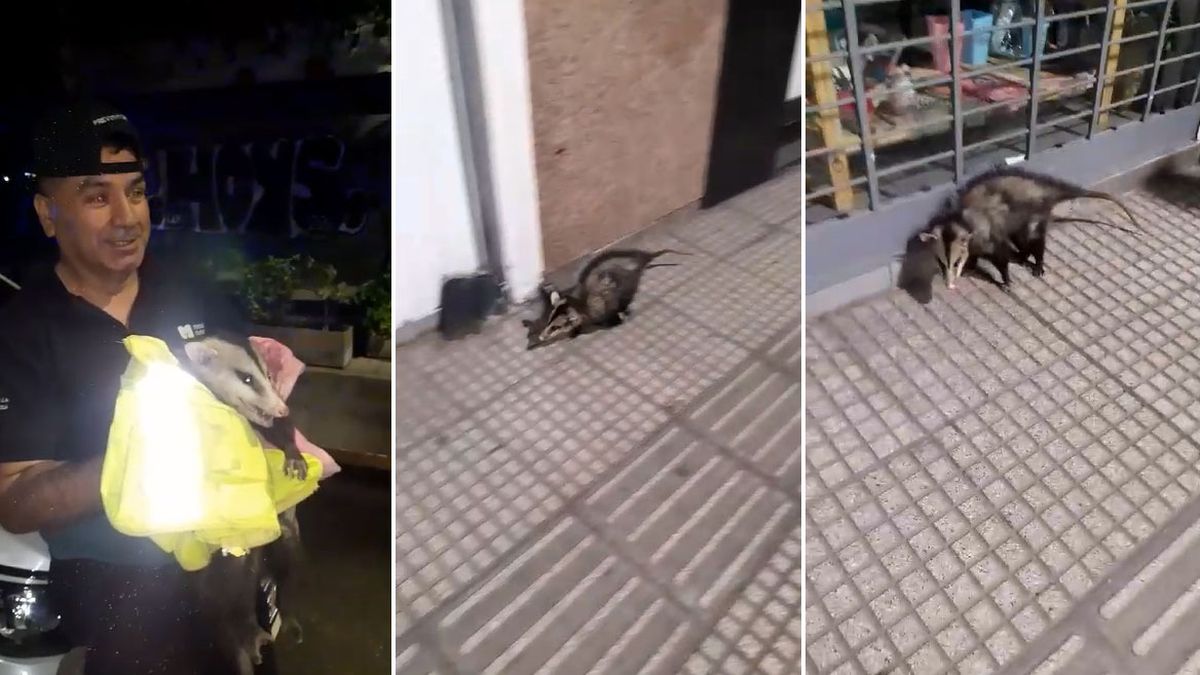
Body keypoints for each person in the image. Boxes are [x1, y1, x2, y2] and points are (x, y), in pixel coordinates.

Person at [0, 100, 265, 674]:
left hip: (232, 566)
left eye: (136, 192)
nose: (126, 217)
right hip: (120, 594)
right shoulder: (21, 332)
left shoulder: (195, 294)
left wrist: (271, 402)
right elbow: (17, 503)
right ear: (48, 214)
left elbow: (257, 417)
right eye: (97, 197)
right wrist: (143, 453)